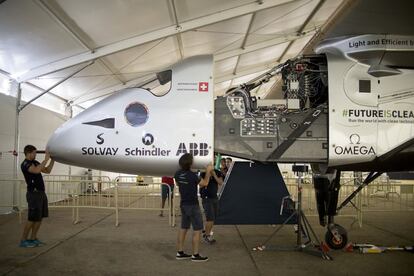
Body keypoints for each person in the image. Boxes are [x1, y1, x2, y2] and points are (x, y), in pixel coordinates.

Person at [174, 153, 213, 262]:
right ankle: (195, 255)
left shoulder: (177, 174)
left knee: (183, 228)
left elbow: (178, 184)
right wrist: (209, 171)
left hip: (183, 205)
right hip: (193, 206)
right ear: (190, 163)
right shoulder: (192, 175)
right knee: (197, 230)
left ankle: (180, 252)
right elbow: (204, 183)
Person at [19, 145, 54, 248]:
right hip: (33, 194)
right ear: (28, 153)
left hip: (41, 193)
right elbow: (36, 171)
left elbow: (47, 170)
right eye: (34, 152)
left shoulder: (35, 163)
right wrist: (45, 159)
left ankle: (33, 238)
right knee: (32, 218)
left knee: (39, 218)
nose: (35, 154)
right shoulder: (25, 164)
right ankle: (23, 240)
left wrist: (53, 160)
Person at [200, 163, 224, 244]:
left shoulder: (217, 172)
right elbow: (201, 184)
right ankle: (207, 235)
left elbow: (220, 182)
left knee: (213, 218)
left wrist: (214, 175)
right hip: (207, 198)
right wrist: (207, 173)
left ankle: (207, 232)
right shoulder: (203, 173)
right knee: (210, 218)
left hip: (214, 198)